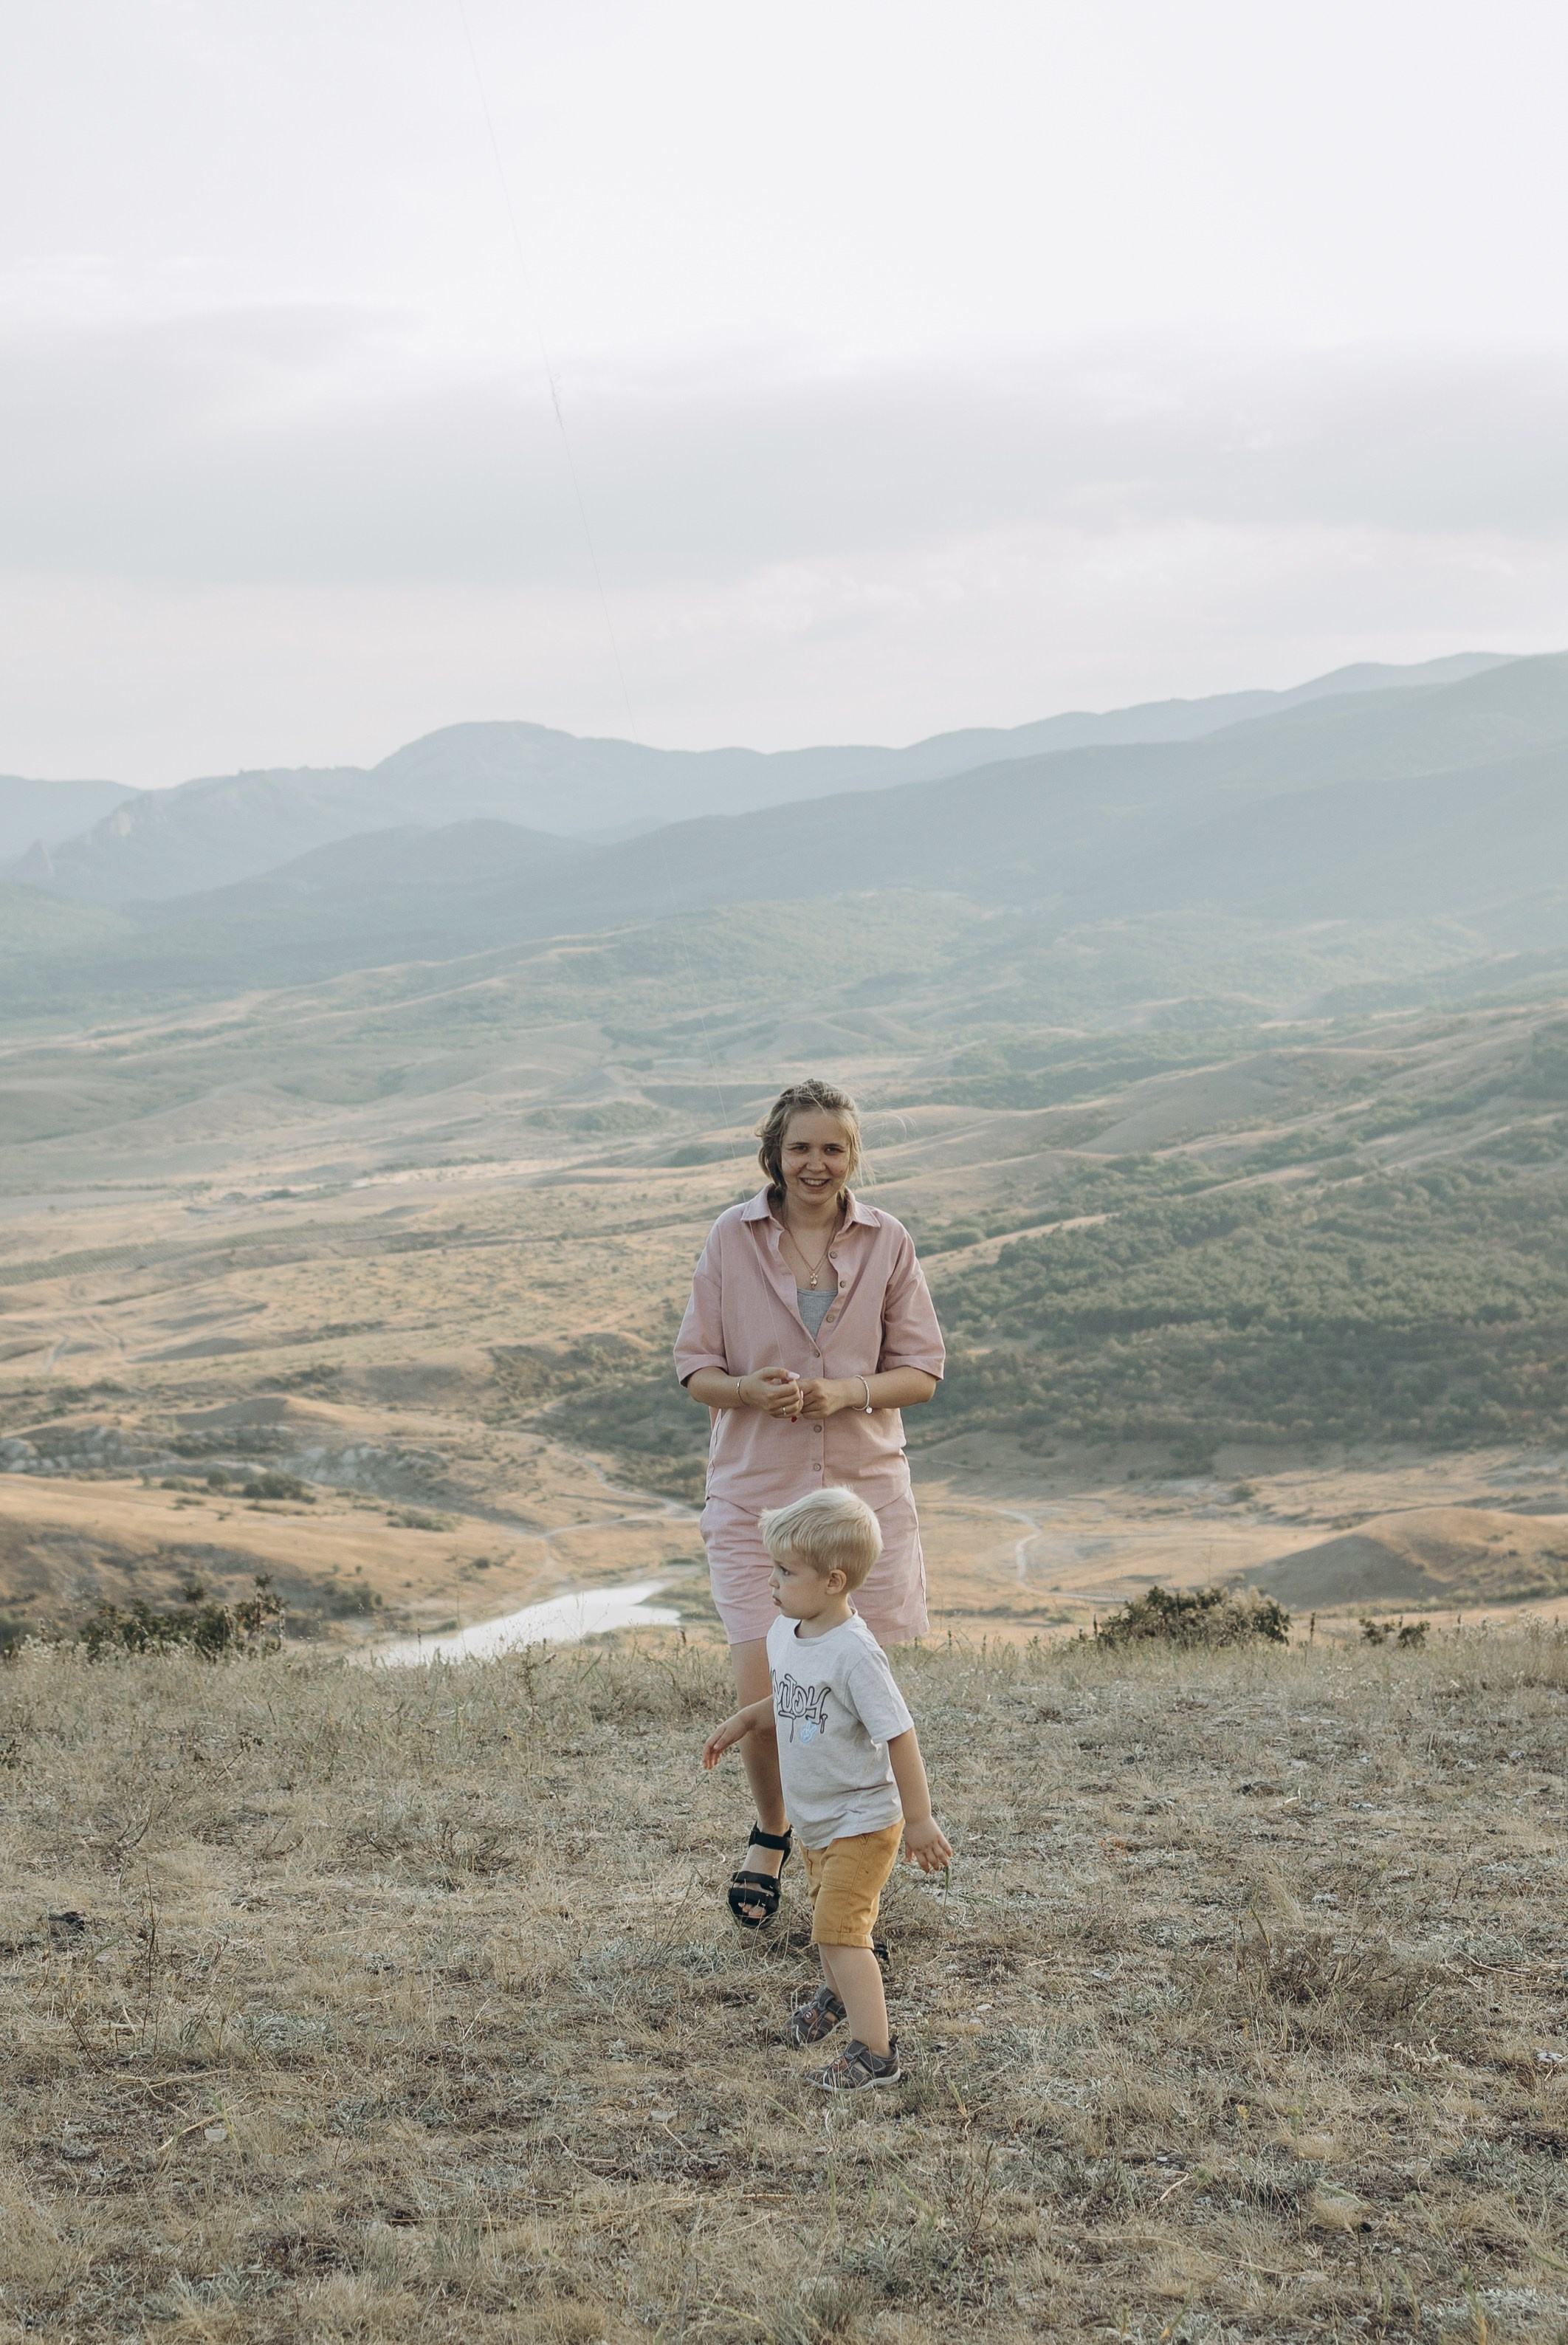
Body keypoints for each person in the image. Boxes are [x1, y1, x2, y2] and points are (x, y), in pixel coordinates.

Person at [675, 1077, 945, 1926]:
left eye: (833, 1147)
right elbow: (695, 1369)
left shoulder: (888, 1240)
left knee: (856, 1697)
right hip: (756, 1494)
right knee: (764, 1683)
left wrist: (850, 1391)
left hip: (860, 1499)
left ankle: (850, 1891)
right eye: (801, 1147)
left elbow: (924, 1370)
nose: (817, 1163)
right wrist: (748, 1390)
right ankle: (772, 1828)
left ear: (852, 1156)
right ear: (775, 1154)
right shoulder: (732, 1236)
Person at [702, 1487, 952, 2090]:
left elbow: (900, 1734)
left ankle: (875, 2052)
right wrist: (747, 1719)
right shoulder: (789, 1633)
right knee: (827, 1922)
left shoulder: (856, 1655)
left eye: (786, 1572)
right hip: (817, 1819)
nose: (771, 1582)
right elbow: (791, 1696)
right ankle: (837, 1997)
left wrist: (918, 1820)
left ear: (835, 1581)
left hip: (863, 1821)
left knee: (842, 1932)